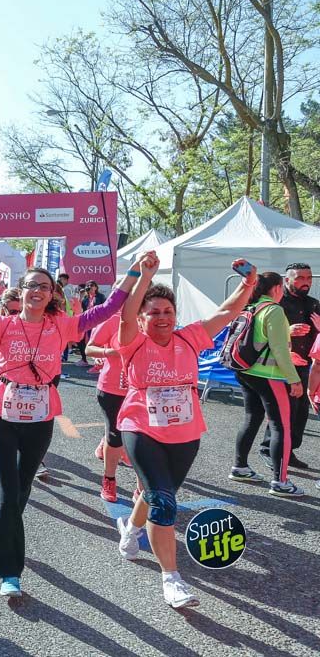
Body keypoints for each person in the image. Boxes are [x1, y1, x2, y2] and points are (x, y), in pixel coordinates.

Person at [0, 258, 148, 598]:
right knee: (5, 490)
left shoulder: (62, 325)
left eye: (44, 287)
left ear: (50, 295)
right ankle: (9, 571)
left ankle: (5, 527)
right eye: (31, 285)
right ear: (22, 290)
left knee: (19, 489)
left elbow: (108, 308)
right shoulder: (2, 324)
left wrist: (135, 273)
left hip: (41, 417)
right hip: (1, 415)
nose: (37, 291)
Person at [115, 256, 258, 608]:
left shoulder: (190, 338)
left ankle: (131, 531)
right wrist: (145, 276)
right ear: (144, 317)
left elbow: (226, 313)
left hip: (185, 432)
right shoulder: (132, 340)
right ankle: (171, 579)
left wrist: (249, 284)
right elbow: (125, 315)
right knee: (164, 501)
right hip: (141, 426)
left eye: (167, 311)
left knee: (155, 496)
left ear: (175, 314)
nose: (161, 317)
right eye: (154, 312)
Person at [228, 272, 305, 497]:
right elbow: (280, 350)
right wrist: (294, 379)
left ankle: (240, 467)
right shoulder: (274, 310)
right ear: (277, 288)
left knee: (251, 419)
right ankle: (280, 482)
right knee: (282, 426)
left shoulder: (249, 307)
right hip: (269, 375)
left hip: (245, 370)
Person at [259, 263, 319, 469]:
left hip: (304, 366)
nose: (306, 282)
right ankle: (269, 449)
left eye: (309, 278)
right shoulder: (276, 302)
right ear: (287, 280)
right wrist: (288, 331)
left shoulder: (313, 304)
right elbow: (260, 334)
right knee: (281, 413)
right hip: (278, 366)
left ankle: (288, 450)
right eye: (300, 278)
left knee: (300, 413)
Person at [85, 312, 130, 502]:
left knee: (139, 435)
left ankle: (141, 489)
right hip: (112, 387)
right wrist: (107, 352)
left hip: (140, 388)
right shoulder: (113, 319)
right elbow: (89, 349)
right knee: (115, 432)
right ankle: (109, 480)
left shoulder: (149, 319)